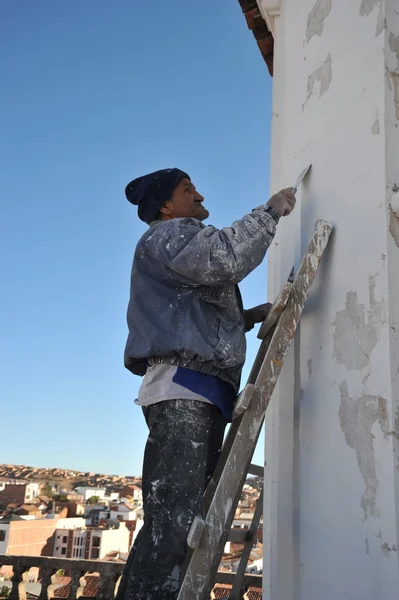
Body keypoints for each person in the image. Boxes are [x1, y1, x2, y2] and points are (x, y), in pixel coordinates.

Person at [116, 168, 296, 600]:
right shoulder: (170, 234)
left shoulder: (173, 245)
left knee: (183, 522)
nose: (197, 194)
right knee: (173, 527)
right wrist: (268, 213)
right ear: (165, 206)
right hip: (183, 390)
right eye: (186, 189)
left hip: (196, 391)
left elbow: (196, 315)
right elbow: (223, 258)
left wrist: (249, 316)